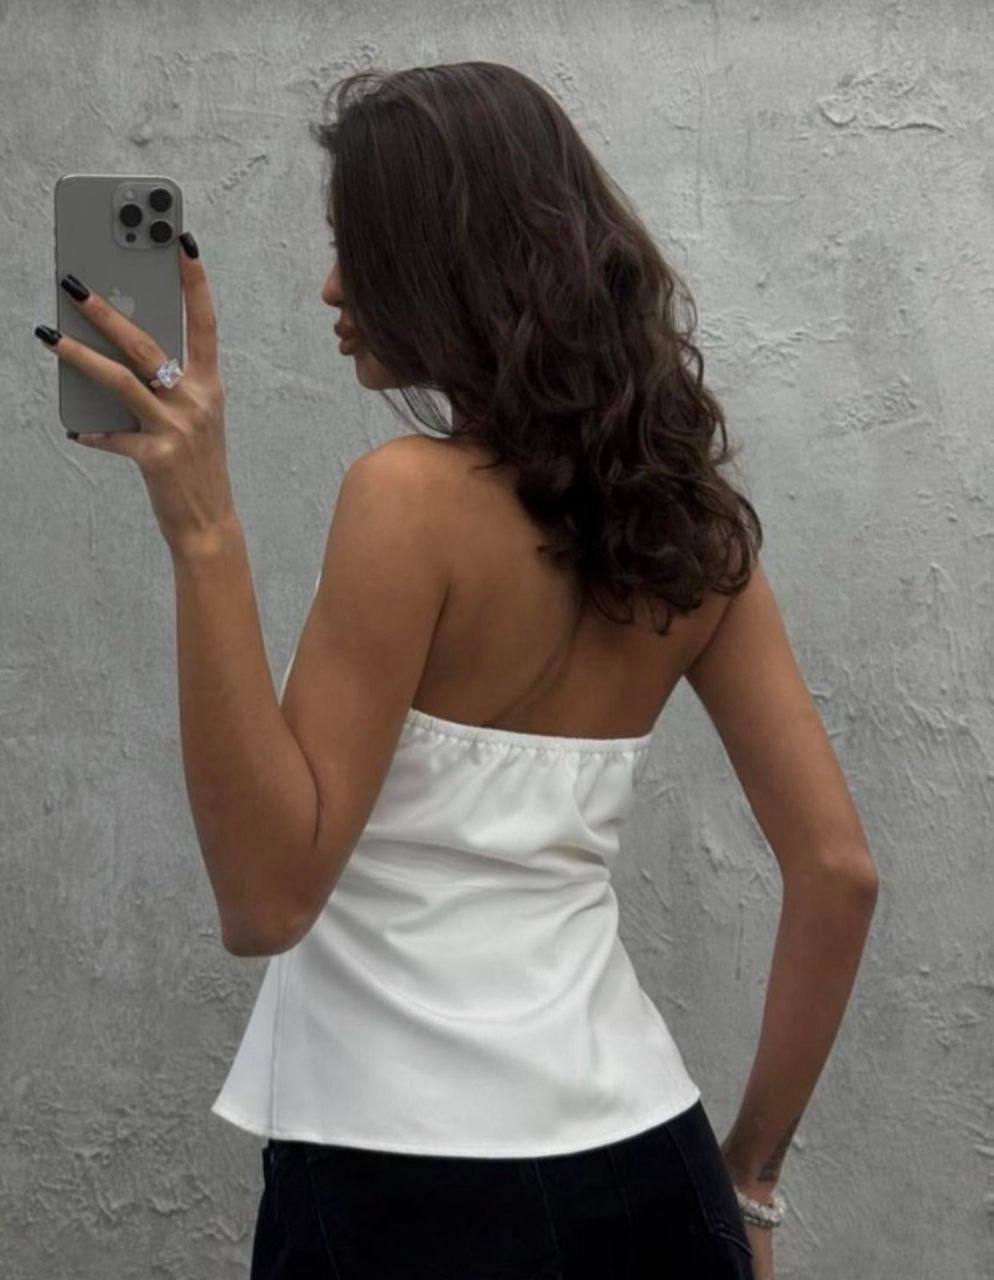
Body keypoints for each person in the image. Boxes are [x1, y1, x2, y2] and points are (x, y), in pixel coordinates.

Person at [211, 62, 880, 1280]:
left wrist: (196, 512)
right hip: (648, 1165)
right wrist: (750, 1175)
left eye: (358, 246)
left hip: (394, 1184)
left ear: (447, 259)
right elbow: (837, 872)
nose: (331, 286)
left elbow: (265, 898)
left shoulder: (403, 498)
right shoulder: (689, 527)